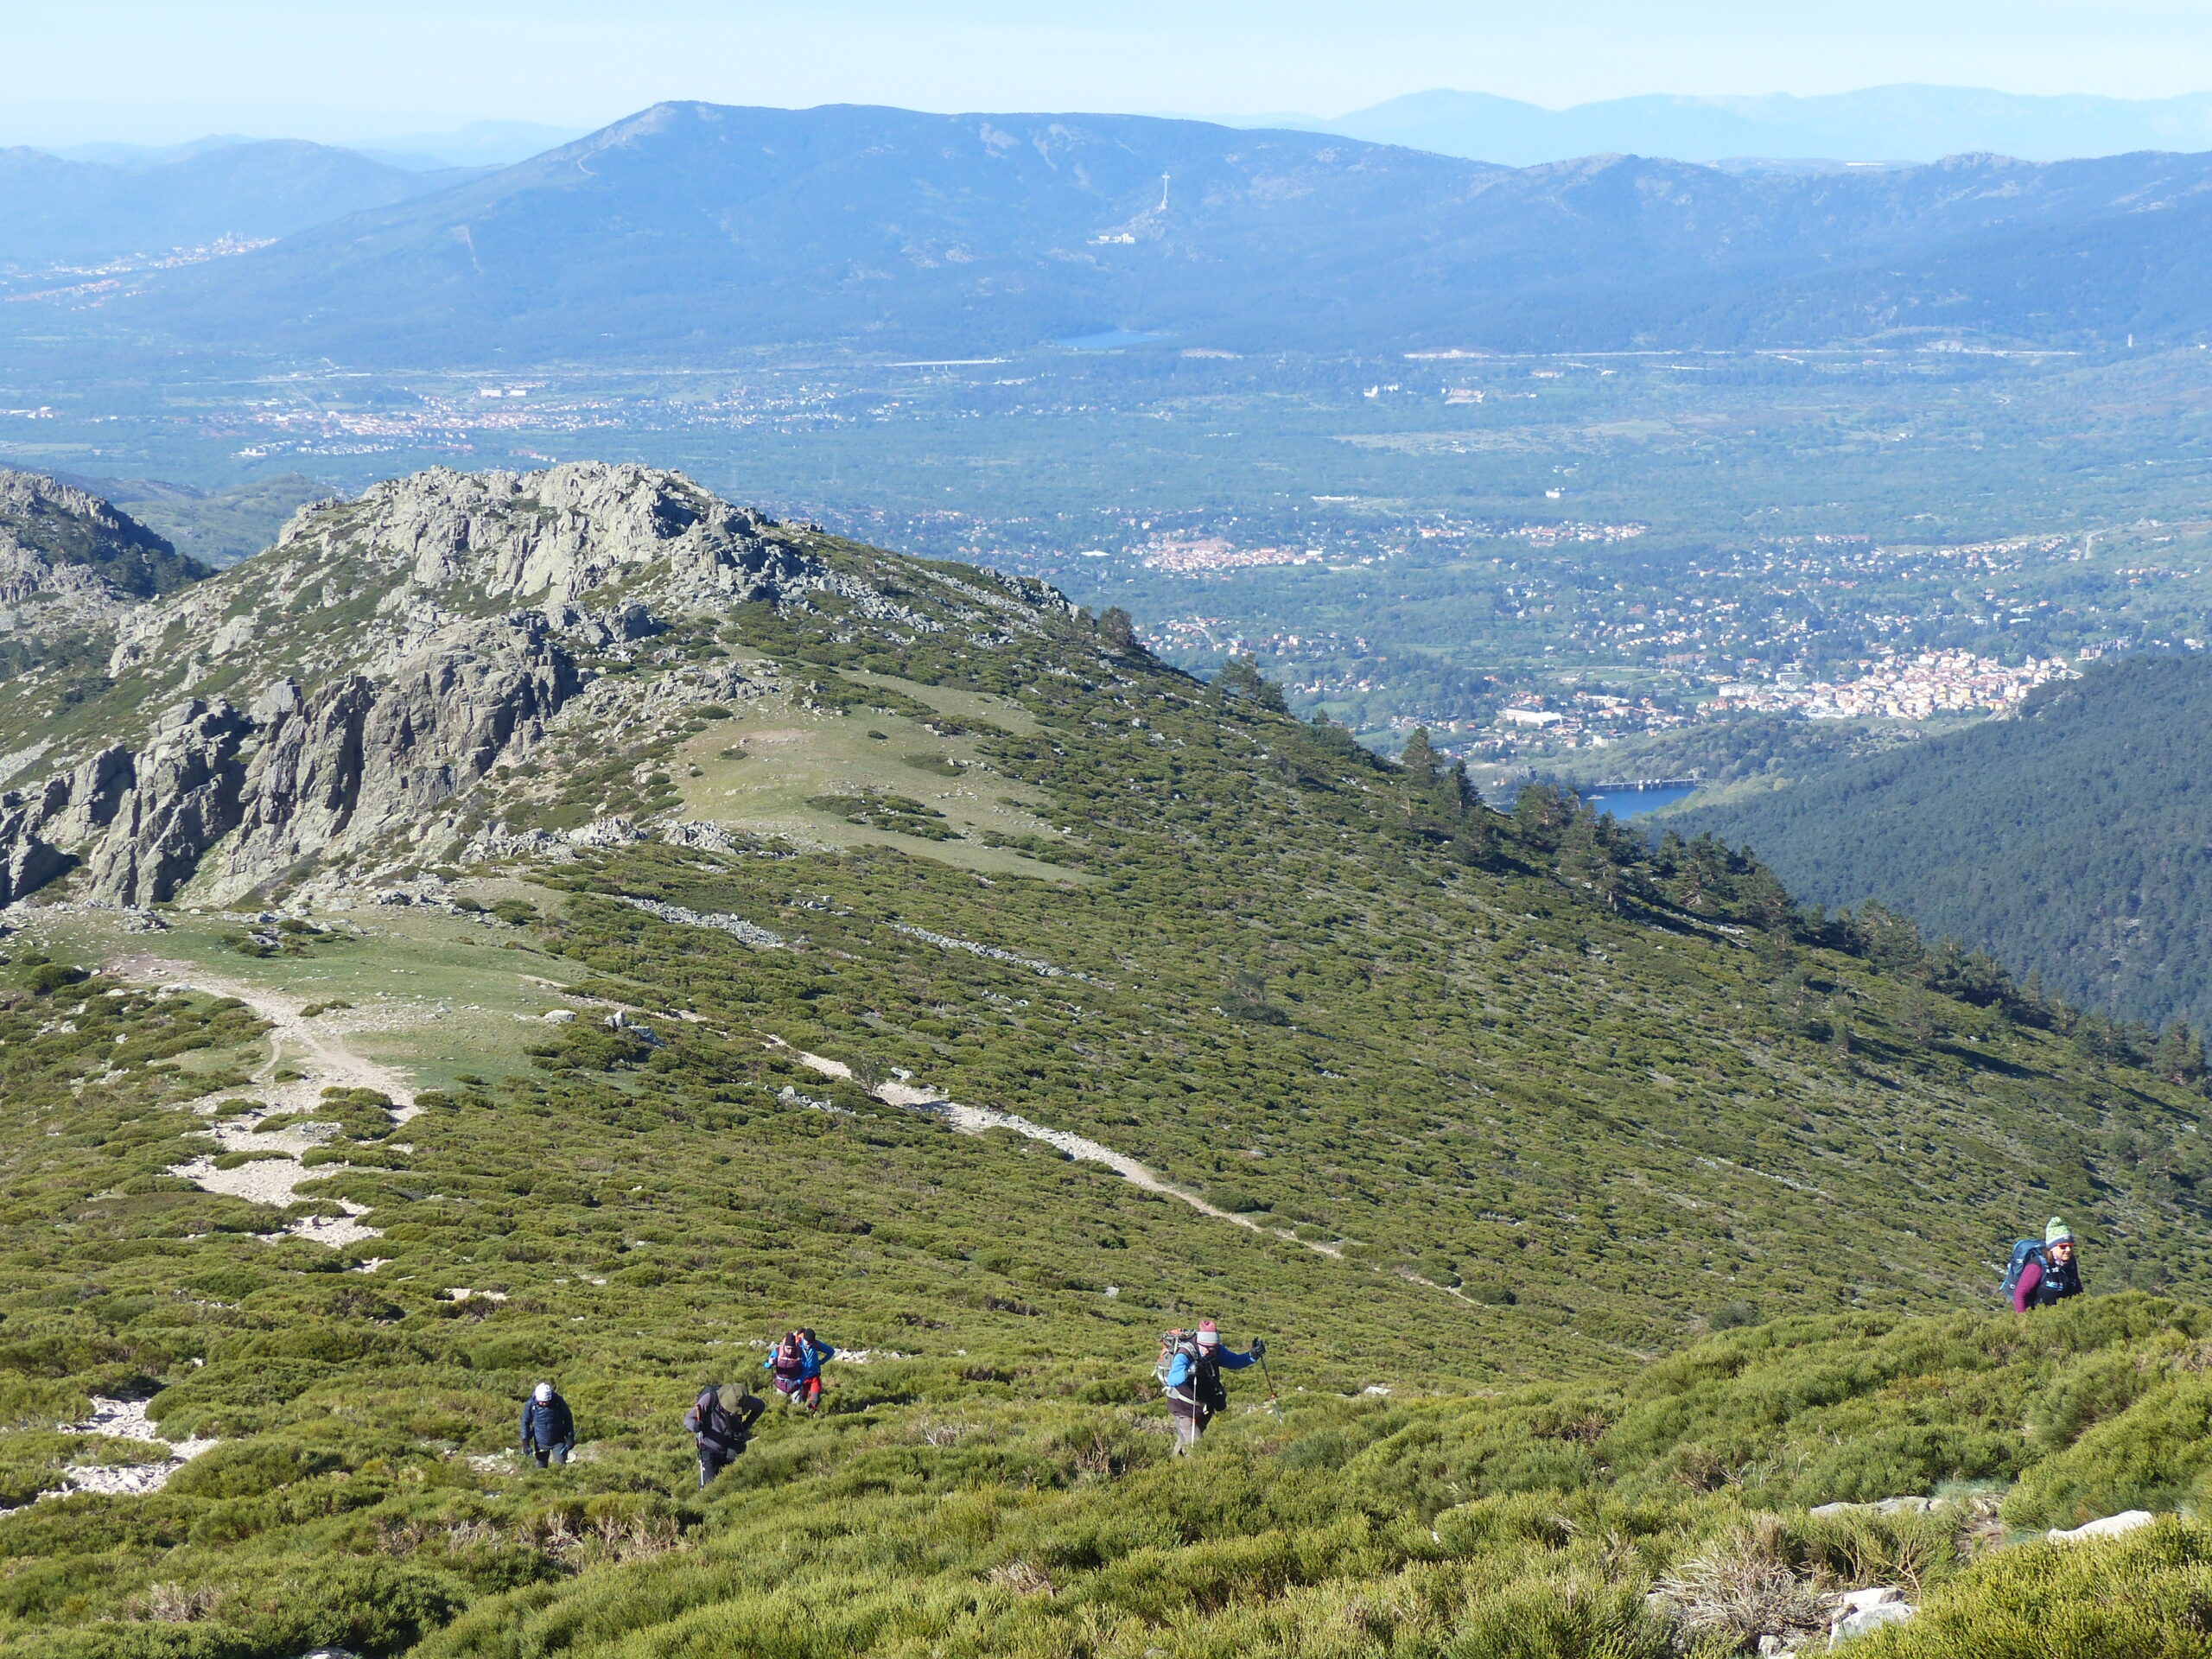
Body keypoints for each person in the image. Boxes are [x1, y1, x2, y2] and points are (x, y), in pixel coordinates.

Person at [1158, 1319, 1265, 1454]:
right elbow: (1173, 1380)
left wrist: (1253, 1354)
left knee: (1186, 1442)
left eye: (1214, 1348)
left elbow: (1234, 1362)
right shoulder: (1185, 1353)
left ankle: (1171, 1468)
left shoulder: (1216, 1350)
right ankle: (1194, 1472)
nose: (1210, 1352)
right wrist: (1188, 1372)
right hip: (1183, 1408)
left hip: (1203, 1409)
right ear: (1200, 1343)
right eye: (1207, 1348)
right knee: (1197, 1449)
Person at [683, 1381, 766, 1488]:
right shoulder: (710, 1398)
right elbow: (688, 1419)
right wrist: (694, 1425)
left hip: (733, 1447)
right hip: (710, 1448)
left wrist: (745, 1426)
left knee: (733, 1485)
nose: (733, 1412)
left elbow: (760, 1406)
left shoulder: (743, 1399)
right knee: (709, 1486)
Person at [2013, 1217, 2084, 1311]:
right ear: (2052, 1247)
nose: (2068, 1250)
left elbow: (2078, 1291)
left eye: (2070, 1246)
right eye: (2063, 1247)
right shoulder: (2037, 1264)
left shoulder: (2071, 1263)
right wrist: (2024, 1322)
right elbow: (2020, 1294)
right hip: (2039, 1320)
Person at [764, 1327, 836, 1412]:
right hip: (792, 1380)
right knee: (791, 1403)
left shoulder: (814, 1345)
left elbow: (831, 1351)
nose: (809, 1344)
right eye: (808, 1341)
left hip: (810, 1376)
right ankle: (800, 1414)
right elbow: (767, 1364)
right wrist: (770, 1363)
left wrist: (821, 1362)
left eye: (811, 1342)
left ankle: (809, 1414)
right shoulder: (795, 1347)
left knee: (813, 1399)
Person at [518, 1381, 575, 1467]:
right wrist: (525, 1442)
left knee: (561, 1467)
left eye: (546, 1401)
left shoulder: (558, 1401)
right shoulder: (531, 1404)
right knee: (541, 1469)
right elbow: (525, 1422)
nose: (544, 1404)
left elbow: (568, 1418)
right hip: (540, 1442)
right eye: (541, 1402)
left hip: (558, 1441)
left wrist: (570, 1437)